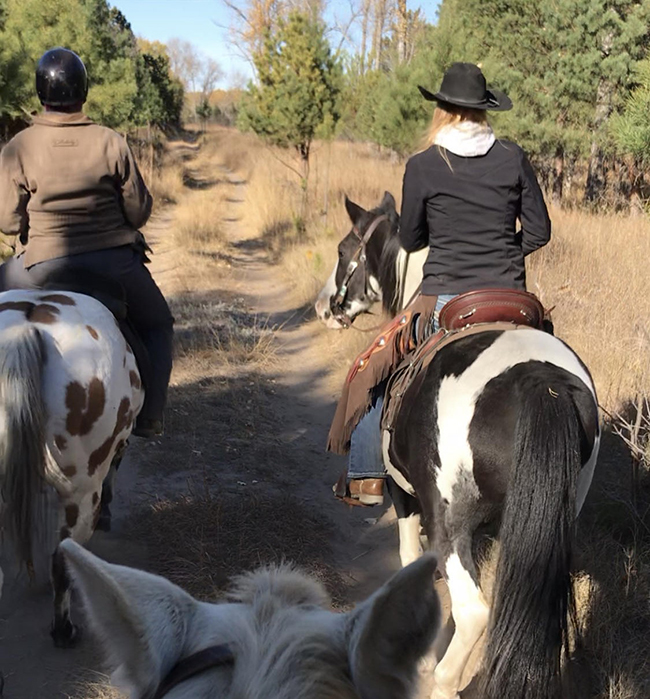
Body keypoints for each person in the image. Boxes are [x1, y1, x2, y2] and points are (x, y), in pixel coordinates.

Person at [340, 62, 551, 505]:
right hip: (513, 298)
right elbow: (539, 232)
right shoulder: (513, 157)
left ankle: (366, 474)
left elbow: (412, 238)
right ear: (483, 110)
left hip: (448, 297)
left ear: (444, 110)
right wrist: (506, 251)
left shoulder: (423, 166)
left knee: (376, 365)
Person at [0, 47, 173, 438]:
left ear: (40, 92)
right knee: (159, 325)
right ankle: (151, 416)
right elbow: (138, 212)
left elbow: (8, 222)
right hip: (114, 264)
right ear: (84, 91)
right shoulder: (112, 142)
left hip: (38, 265)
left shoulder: (18, 147)